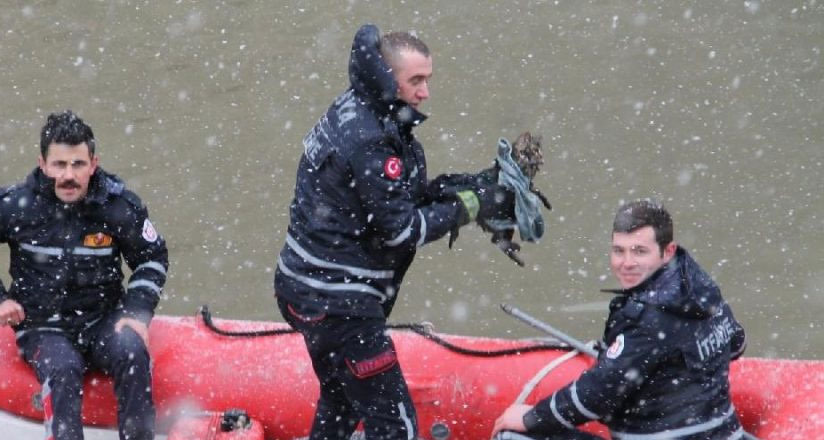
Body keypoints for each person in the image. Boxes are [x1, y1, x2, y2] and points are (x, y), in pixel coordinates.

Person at [273, 24, 514, 440]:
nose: (425, 93)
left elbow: (393, 196)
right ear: (387, 76)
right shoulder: (370, 140)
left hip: (303, 290)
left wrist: (465, 185)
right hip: (340, 305)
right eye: (416, 81)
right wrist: (473, 205)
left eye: (428, 80)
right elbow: (401, 230)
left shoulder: (362, 106)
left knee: (341, 403)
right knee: (395, 425)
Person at [0, 110, 168, 440]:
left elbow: (152, 258)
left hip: (104, 321)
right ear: (43, 163)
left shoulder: (119, 207)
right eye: (59, 165)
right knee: (63, 369)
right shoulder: (15, 205)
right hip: (41, 327)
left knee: (132, 352)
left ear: (93, 163)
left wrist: (136, 314)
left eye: (78, 165)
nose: (69, 175)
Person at [492, 199, 748, 440]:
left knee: (511, 437)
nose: (626, 263)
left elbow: (596, 395)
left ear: (667, 251)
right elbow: (736, 344)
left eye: (639, 251)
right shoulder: (700, 289)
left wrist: (532, 417)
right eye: (619, 251)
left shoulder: (649, 319)